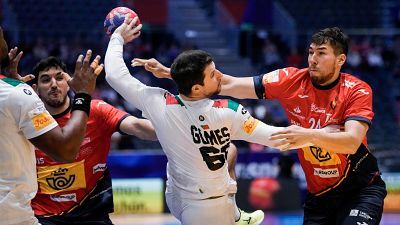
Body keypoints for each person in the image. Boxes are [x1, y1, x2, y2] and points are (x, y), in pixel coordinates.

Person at [136, 27, 387, 225]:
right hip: (319, 196)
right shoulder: (291, 79)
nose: (313, 59)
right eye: (310, 52)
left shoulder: (357, 90)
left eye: (321, 53)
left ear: (340, 59)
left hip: (359, 189)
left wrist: (309, 135)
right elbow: (230, 84)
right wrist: (174, 73)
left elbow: (352, 141)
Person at [104, 17, 300, 225]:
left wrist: (117, 37)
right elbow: (275, 138)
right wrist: (318, 135)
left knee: (230, 151)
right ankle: (233, 214)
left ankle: (236, 213)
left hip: (176, 195)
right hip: (209, 209)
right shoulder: (228, 111)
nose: (219, 76)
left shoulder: (160, 103)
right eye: (213, 74)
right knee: (227, 153)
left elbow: (115, 75)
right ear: (197, 88)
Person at [27, 56, 157, 225]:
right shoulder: (27, 121)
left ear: (68, 82)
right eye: (46, 80)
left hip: (91, 215)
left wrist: (176, 124)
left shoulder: (96, 110)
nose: (54, 84)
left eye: (59, 78)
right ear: (35, 88)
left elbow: (139, 127)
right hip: (42, 217)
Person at [0, 26, 102, 225]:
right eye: (2, 36)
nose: (5, 41)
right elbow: (65, 150)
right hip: (10, 215)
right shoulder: (16, 94)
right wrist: (82, 94)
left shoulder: (13, 93)